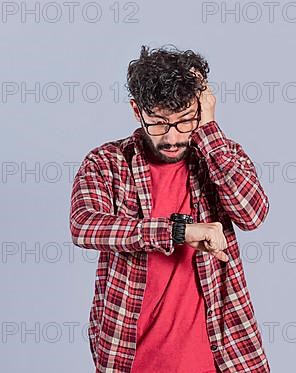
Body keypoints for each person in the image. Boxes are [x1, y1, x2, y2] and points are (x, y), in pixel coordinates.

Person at [69, 45, 271, 372]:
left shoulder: (220, 156)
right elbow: (84, 226)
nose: (173, 137)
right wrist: (177, 231)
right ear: (137, 111)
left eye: (185, 121)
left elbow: (253, 213)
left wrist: (209, 130)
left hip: (221, 356)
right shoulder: (107, 162)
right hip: (131, 355)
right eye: (160, 123)